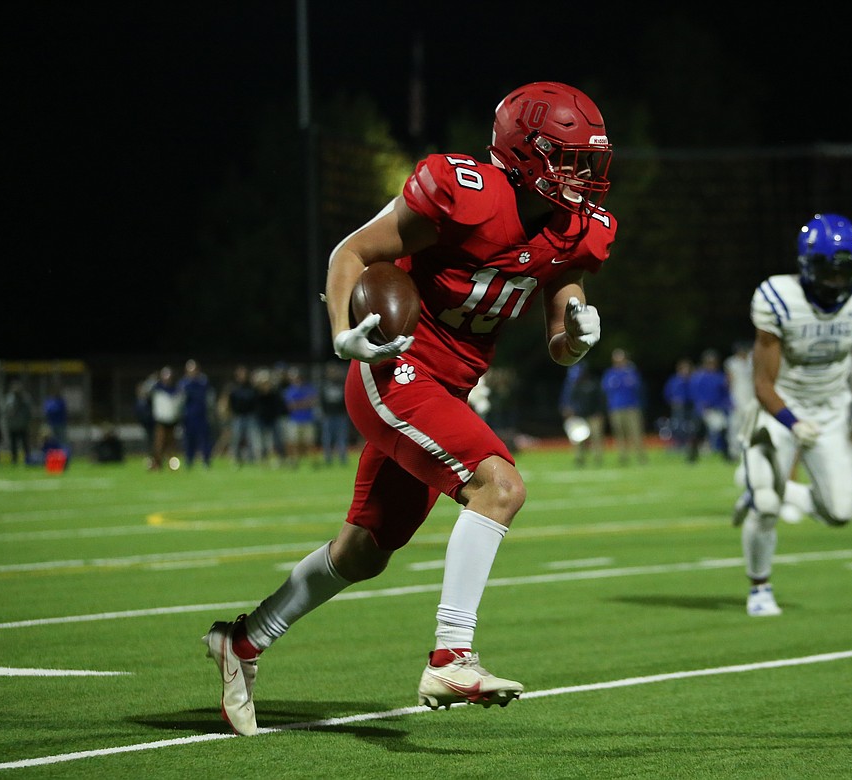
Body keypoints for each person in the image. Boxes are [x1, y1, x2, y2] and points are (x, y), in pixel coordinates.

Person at [203, 81, 615, 735]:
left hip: (446, 389)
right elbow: (352, 253)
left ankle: (244, 641)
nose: (586, 176)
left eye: (590, 160)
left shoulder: (577, 230)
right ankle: (452, 654)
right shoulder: (464, 190)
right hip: (395, 366)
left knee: (364, 550)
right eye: (571, 159)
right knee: (499, 485)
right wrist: (343, 331)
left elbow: (559, 341)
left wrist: (576, 340)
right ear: (525, 152)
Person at [732, 213, 852, 617]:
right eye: (825, 269)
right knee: (766, 505)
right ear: (804, 266)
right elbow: (762, 383)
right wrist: (793, 422)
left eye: (844, 270)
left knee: (839, 513)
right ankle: (759, 588)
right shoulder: (778, 298)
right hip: (780, 405)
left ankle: (765, 484)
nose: (835, 281)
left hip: (832, 408)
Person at [601, 348, 647, 465]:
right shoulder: (610, 374)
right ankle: (623, 456)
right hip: (616, 408)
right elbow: (605, 390)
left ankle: (640, 456)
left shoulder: (631, 372)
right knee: (619, 433)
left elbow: (639, 388)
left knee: (636, 432)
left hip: (632, 407)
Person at [686, 348, 731, 462]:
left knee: (723, 431)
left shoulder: (719, 376)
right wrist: (700, 406)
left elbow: (724, 393)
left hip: (716, 409)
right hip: (703, 409)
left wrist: (726, 404)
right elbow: (694, 392)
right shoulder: (699, 376)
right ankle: (692, 456)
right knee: (698, 433)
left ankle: (726, 455)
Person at [560, 362, 607, 467]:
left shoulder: (593, 384)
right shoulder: (574, 385)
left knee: (596, 437)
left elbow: (600, 399)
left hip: (593, 415)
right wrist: (570, 412)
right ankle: (579, 458)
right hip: (579, 416)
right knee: (578, 438)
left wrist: (599, 412)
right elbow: (570, 401)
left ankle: (597, 457)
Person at [222, 365, 261, 466]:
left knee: (252, 438)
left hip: (250, 416)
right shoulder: (233, 388)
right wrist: (228, 415)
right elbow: (228, 403)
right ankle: (235, 459)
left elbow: (257, 401)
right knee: (236, 439)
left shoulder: (252, 387)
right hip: (238, 416)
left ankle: (252, 459)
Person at [180, 359, 214, 469]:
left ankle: (206, 460)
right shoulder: (184, 383)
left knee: (204, 439)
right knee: (189, 440)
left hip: (202, 416)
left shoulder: (203, 382)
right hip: (189, 417)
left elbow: (209, 398)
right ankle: (189, 461)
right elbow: (180, 401)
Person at [282, 366, 318, 468]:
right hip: (294, 419)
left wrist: (299, 404)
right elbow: (291, 406)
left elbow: (312, 402)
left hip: (307, 419)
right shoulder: (289, 390)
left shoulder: (308, 388)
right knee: (294, 443)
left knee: (310, 442)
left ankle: (313, 462)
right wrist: (304, 403)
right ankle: (294, 461)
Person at [149, 366, 183, 471]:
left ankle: (172, 466)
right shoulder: (157, 388)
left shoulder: (175, 389)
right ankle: (157, 465)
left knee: (171, 445)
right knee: (159, 444)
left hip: (172, 420)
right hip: (161, 420)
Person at [319, 361, 351, 465]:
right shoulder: (324, 384)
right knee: (327, 439)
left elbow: (346, 398)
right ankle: (328, 459)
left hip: (341, 415)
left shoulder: (342, 383)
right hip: (328, 415)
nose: (332, 373)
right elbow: (321, 400)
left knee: (341, 438)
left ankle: (343, 458)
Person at [663, 357, 695, 453]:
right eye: (684, 368)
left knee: (690, 426)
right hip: (678, 407)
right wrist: (672, 400)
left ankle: (689, 445)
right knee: (677, 425)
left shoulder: (692, 380)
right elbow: (667, 392)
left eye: (687, 368)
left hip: (690, 406)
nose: (686, 371)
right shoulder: (674, 380)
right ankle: (678, 444)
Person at [3, 379, 35, 466]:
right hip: (13, 426)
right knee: (13, 445)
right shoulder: (9, 399)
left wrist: (29, 422)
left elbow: (29, 411)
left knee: (25, 444)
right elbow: (6, 411)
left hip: (23, 425)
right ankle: (14, 460)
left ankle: (28, 460)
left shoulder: (25, 398)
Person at [43, 380, 69, 450]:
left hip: (61, 424)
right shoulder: (49, 400)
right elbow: (47, 410)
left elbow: (62, 411)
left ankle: (63, 454)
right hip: (51, 424)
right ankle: (54, 454)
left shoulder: (61, 401)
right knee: (52, 440)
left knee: (62, 440)